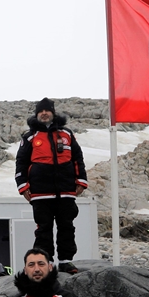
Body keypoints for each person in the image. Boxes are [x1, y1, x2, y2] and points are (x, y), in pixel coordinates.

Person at [14, 98, 89, 274]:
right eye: (41, 111)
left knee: (67, 226)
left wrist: (81, 181)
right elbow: (21, 163)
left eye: (47, 111)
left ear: (53, 113)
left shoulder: (67, 134)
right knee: (43, 229)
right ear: (37, 114)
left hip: (66, 191)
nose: (44, 113)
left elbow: (78, 159)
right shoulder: (29, 136)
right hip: (40, 193)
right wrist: (23, 186)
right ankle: (44, 263)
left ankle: (66, 261)